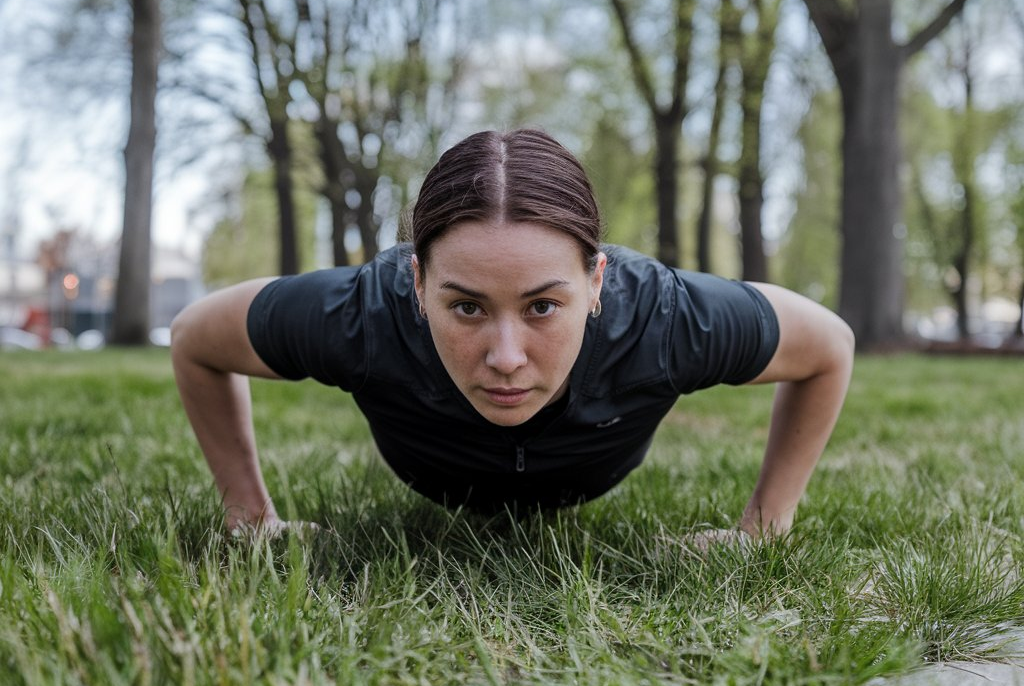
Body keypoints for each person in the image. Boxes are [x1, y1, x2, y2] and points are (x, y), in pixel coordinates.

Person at [171, 128, 854, 542]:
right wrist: (250, 519)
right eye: (466, 307)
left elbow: (827, 348)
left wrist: (764, 528)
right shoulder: (362, 313)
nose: (505, 358)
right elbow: (196, 337)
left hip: (591, 477)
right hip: (433, 477)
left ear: (595, 282)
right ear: (416, 283)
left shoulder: (664, 317)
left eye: (541, 307)